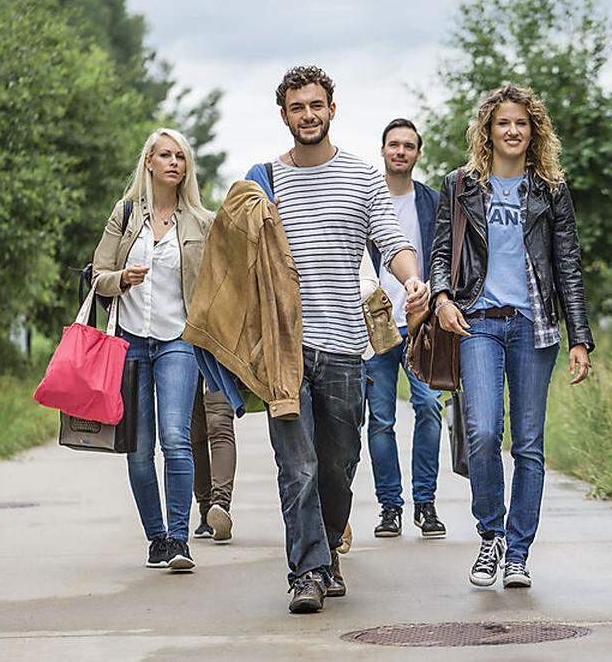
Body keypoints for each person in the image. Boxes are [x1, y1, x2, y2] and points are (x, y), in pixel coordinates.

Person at [250, 66, 427, 614]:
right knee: (297, 466)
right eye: (298, 107)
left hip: (345, 346)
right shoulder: (263, 182)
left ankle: (326, 550)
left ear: (332, 109)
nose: (308, 115)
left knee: (337, 463)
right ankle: (307, 571)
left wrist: (412, 279)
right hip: (284, 349)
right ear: (284, 114)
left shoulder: (362, 177)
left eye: (316, 105)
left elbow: (390, 241)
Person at [429, 85, 594, 590]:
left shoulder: (550, 191)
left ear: (534, 130)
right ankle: (490, 535)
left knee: (528, 444)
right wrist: (441, 298)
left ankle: (519, 552)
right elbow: (440, 252)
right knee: (481, 433)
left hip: (534, 326)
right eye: (504, 122)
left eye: (522, 123)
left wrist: (580, 338)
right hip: (478, 321)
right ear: (488, 130)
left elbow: (568, 264)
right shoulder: (459, 186)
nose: (513, 130)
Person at [92, 127, 214, 572]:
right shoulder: (125, 215)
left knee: (176, 439)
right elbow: (98, 273)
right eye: (164, 155)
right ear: (148, 163)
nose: (173, 163)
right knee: (138, 449)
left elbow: (220, 281)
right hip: (129, 343)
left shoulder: (201, 221)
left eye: (180, 156)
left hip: (178, 340)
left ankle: (180, 539)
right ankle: (156, 539)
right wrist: (121, 278)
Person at [364, 118, 446, 539]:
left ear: (417, 153)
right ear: (382, 150)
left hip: (422, 323)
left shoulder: (432, 201)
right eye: (393, 144)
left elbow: (444, 257)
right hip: (375, 325)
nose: (400, 151)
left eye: (408, 146)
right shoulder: (365, 198)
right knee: (380, 419)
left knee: (429, 407)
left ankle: (425, 502)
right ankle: (390, 506)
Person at [190, 383, 236, 543]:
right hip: (189, 358)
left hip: (220, 358)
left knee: (219, 423)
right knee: (195, 432)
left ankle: (219, 504)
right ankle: (210, 507)